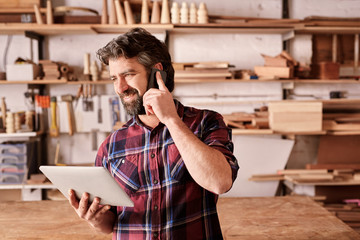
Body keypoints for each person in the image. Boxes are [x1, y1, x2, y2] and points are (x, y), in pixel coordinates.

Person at [68, 27, 239, 239]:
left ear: (157, 73)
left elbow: (220, 182)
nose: (120, 88)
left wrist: (171, 120)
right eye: (114, 78)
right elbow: (109, 224)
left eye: (128, 74)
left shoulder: (206, 123)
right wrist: (94, 219)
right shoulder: (111, 146)